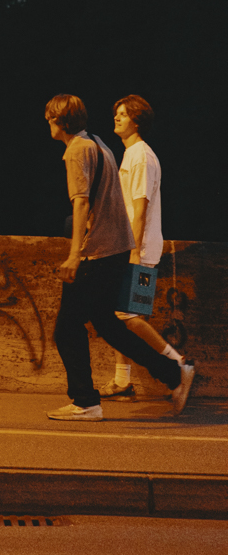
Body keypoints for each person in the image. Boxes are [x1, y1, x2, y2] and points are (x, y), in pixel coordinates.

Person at [44, 94, 194, 420]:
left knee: (69, 328)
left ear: (60, 121)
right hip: (117, 249)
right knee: (110, 324)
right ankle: (172, 373)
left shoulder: (79, 151)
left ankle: (86, 401)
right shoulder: (99, 144)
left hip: (101, 252)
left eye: (50, 118)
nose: (48, 123)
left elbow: (82, 203)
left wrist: (75, 255)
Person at [101, 94, 187, 399]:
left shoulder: (140, 157)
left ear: (137, 121)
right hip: (134, 249)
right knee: (122, 316)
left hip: (141, 252)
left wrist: (134, 253)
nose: (117, 117)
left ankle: (180, 363)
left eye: (123, 114)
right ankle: (122, 380)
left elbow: (140, 210)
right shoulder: (132, 154)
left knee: (130, 316)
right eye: (117, 113)